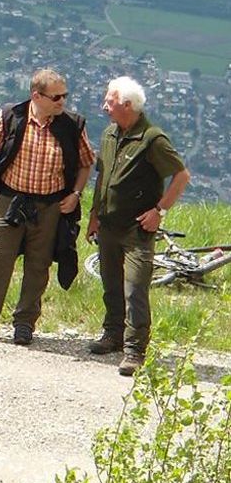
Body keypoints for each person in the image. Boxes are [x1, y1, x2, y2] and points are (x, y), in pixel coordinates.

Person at [0, 69, 94, 346]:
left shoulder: (72, 125)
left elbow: (86, 162)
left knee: (38, 263)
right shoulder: (12, 116)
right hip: (10, 200)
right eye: (56, 97)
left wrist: (76, 194)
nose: (62, 102)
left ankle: (24, 323)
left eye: (65, 96)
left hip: (50, 204)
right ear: (37, 95)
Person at [87, 76, 192, 376]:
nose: (104, 106)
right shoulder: (110, 134)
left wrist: (160, 211)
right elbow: (103, 178)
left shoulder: (152, 139)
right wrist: (94, 215)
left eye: (110, 101)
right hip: (108, 224)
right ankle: (113, 334)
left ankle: (135, 349)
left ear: (127, 105)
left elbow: (181, 176)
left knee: (135, 288)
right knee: (111, 283)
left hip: (136, 230)